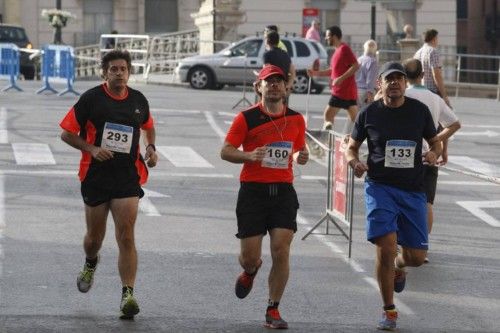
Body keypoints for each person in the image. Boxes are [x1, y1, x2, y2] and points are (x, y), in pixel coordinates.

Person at [59, 50, 158, 320]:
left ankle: (128, 294)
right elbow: (66, 132)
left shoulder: (138, 100)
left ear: (129, 72)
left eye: (123, 69)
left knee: (126, 235)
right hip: (96, 176)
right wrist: (90, 148)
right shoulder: (92, 99)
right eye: (113, 69)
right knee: (94, 239)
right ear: (105, 72)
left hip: (127, 176)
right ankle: (91, 261)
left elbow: (149, 126)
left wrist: (150, 147)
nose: (118, 73)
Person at [345, 61, 442, 331]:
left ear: (405, 83)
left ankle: (400, 266)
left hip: (412, 189)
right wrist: (355, 163)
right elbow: (351, 148)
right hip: (380, 187)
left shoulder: (419, 112)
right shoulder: (369, 114)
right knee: (386, 247)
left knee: (417, 257)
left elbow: (436, 141)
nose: (396, 83)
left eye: (400, 78)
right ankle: (389, 310)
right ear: (381, 83)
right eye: (390, 79)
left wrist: (434, 152)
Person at [220, 64, 309, 330]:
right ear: (258, 87)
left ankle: (273, 309)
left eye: (278, 81)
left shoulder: (296, 119)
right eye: (268, 82)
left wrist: (299, 156)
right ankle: (250, 271)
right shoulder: (246, 118)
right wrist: (248, 155)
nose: (274, 85)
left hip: (283, 192)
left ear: (286, 87)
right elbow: (225, 151)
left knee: (281, 250)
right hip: (253, 193)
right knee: (249, 256)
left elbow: (296, 150)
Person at [403, 58, 461, 262]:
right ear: (423, 75)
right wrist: (439, 143)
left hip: (404, 157)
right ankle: (422, 245)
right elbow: (454, 124)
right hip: (429, 155)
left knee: (400, 198)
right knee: (426, 202)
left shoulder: (402, 94)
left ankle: (401, 243)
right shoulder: (435, 98)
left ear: (403, 77)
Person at [307, 26, 359, 133]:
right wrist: (316, 73)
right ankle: (368, 136)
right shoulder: (337, 51)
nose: (326, 39)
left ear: (334, 36)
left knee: (327, 116)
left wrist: (340, 78)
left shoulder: (344, 49)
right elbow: (333, 71)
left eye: (327, 36)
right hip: (347, 92)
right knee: (357, 120)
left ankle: (327, 139)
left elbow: (356, 65)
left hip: (341, 92)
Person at [414, 29, 451, 106]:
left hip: (421, 90)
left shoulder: (418, 53)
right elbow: (436, 75)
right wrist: (444, 95)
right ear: (434, 39)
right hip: (432, 91)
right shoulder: (433, 52)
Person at [263, 30, 296, 99]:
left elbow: (267, 72)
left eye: (265, 38)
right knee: (283, 109)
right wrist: (288, 86)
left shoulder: (267, 55)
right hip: (283, 87)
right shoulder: (285, 54)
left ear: (267, 41)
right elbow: (292, 72)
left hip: (272, 88)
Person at [355, 39, 378, 110]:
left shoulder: (358, 59)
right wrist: (370, 95)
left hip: (355, 89)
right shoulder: (373, 61)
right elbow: (370, 80)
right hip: (365, 92)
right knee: (365, 116)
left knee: (354, 116)